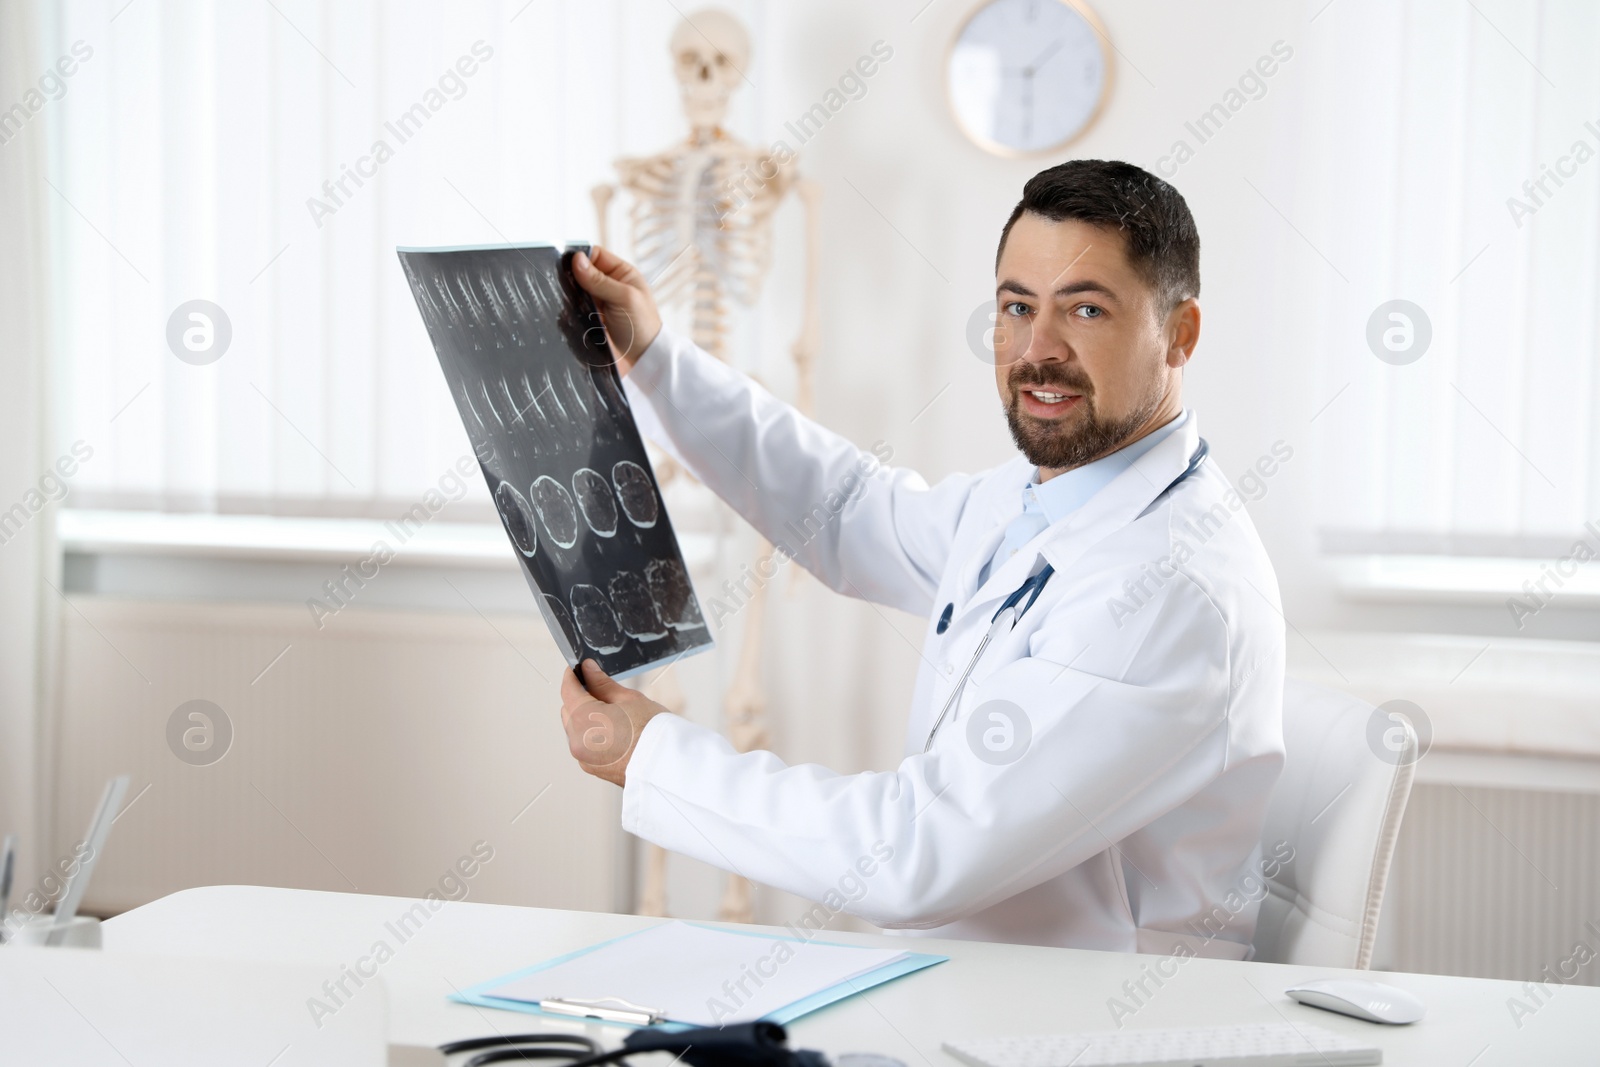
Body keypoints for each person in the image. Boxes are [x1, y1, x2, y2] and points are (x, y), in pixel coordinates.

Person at [559, 159, 1285, 956]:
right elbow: (851, 512)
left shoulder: (1168, 586)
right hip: (975, 989)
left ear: (1180, 333)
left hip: (1089, 1028)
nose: (1037, 350)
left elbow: (910, 855)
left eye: (1085, 308)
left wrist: (655, 755)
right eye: (1017, 306)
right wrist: (654, 360)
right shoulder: (1045, 495)